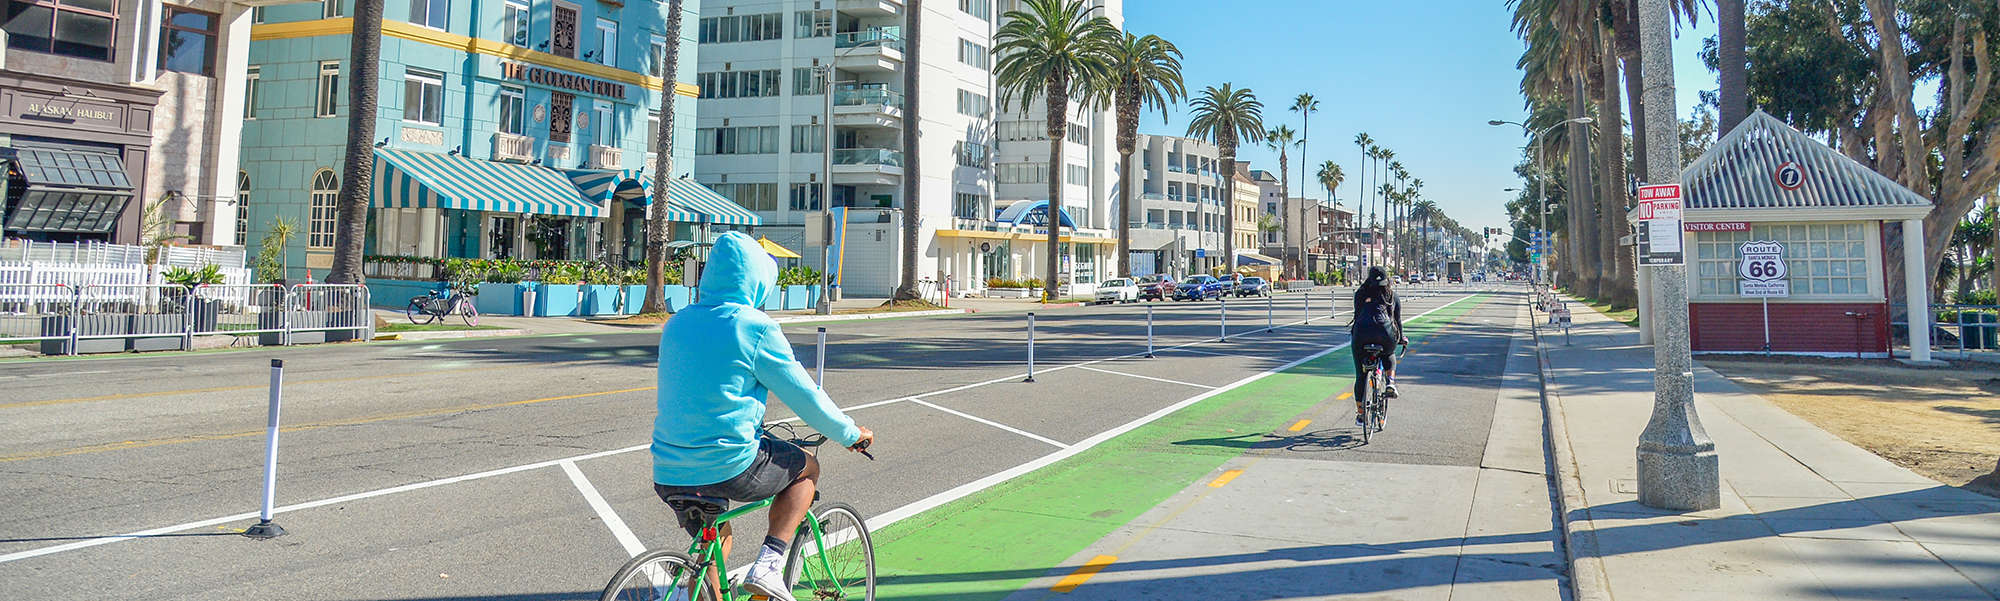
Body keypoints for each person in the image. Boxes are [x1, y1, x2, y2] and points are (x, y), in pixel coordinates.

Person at [652, 231, 875, 601]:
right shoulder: (753, 326)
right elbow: (805, 395)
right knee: (808, 468)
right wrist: (850, 433)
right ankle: (770, 566)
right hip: (729, 463)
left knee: (714, 545)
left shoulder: (677, 323)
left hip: (669, 469)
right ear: (756, 280)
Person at [1350, 266, 1406, 427]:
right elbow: (1397, 321)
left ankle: (1361, 415)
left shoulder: (1360, 294)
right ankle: (1390, 382)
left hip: (1361, 335)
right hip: (1385, 334)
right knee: (1389, 355)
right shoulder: (1392, 295)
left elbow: (1357, 315)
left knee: (1360, 376)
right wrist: (1401, 338)